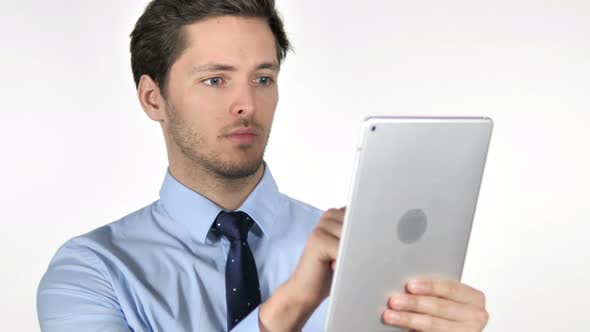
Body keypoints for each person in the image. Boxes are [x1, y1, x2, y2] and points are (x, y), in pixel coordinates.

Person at [37, 0, 490, 331]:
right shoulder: (92, 273)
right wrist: (292, 303)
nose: (246, 105)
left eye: (262, 78)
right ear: (153, 98)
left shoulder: (360, 257)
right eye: (215, 80)